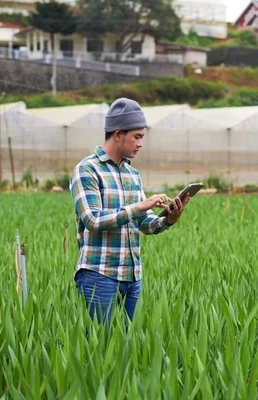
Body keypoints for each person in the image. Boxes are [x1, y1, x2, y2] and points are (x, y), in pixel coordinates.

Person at [69, 97, 190, 325]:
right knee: (99, 347)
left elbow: (143, 223)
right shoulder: (86, 170)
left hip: (132, 277)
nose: (140, 143)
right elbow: (92, 219)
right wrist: (140, 206)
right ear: (118, 134)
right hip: (99, 275)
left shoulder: (132, 175)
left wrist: (168, 220)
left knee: (127, 349)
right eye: (137, 136)